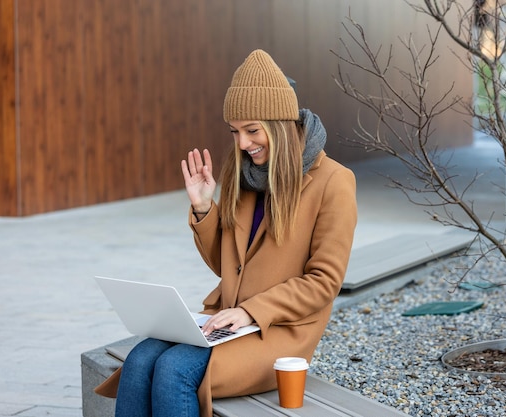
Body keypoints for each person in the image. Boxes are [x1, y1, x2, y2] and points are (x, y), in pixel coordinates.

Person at [94, 49, 357, 417]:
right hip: (228, 320)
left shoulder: (334, 182)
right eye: (235, 131)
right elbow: (227, 265)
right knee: (139, 360)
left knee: (173, 371)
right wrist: (204, 207)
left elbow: (324, 282)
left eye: (252, 130)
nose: (243, 144)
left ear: (280, 123)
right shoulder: (245, 174)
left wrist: (251, 311)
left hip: (277, 331)